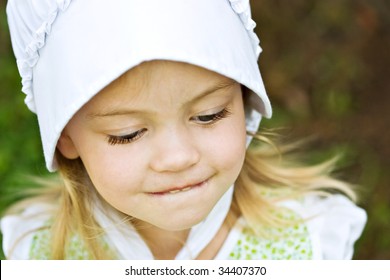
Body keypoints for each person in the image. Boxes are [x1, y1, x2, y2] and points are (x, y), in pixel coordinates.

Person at [1, 0, 366, 260]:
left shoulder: (312, 241)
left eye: (209, 115)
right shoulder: (41, 254)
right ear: (64, 135)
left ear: (244, 100)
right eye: (128, 133)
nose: (177, 158)